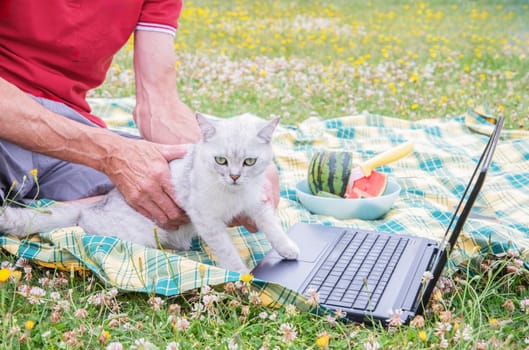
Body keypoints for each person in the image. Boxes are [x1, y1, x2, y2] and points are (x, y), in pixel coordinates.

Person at [0, 1, 279, 231]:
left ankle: (46, 220)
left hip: (71, 131)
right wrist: (109, 152)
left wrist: (223, 159)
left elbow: (159, 106)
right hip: (9, 120)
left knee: (166, 189)